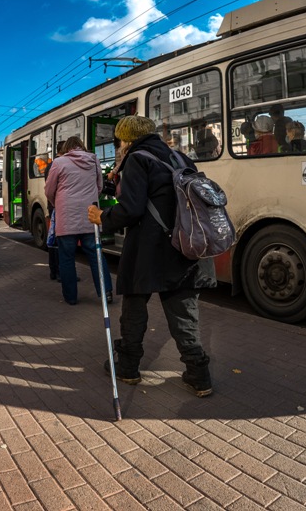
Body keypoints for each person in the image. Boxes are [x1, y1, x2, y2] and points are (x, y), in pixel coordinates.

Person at [88, 115, 217, 397]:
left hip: (148, 248)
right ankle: (199, 375)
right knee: (184, 313)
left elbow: (131, 209)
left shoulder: (137, 159)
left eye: (121, 140)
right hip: (185, 244)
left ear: (126, 139)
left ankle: (128, 368)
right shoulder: (179, 157)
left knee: (134, 307)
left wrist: (102, 217)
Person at [45, 136, 113, 305]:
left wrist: (58, 204)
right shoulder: (93, 160)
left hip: (66, 216)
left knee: (67, 257)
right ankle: (106, 293)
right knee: (96, 254)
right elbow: (99, 186)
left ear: (67, 148)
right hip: (90, 215)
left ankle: (71, 297)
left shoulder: (59, 163)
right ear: (82, 146)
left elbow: (49, 190)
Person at [47, 141, 67, 281]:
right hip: (57, 207)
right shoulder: (57, 164)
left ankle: (54, 271)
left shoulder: (53, 164)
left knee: (54, 240)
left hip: (55, 206)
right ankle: (58, 271)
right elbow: (50, 189)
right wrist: (56, 204)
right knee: (58, 241)